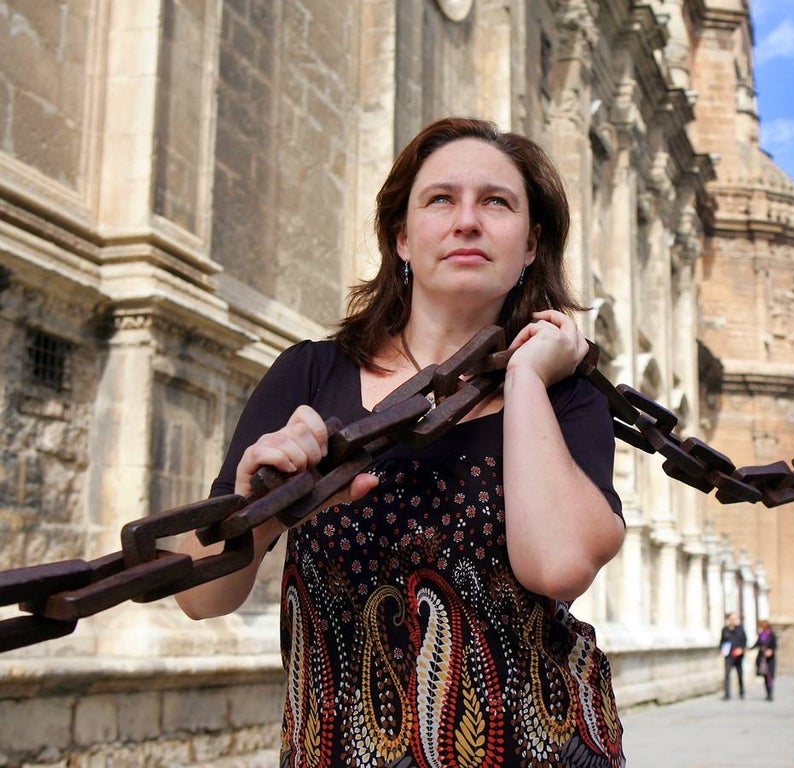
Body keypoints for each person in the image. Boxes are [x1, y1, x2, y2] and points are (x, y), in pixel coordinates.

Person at [174, 117, 627, 767]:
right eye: (440, 199)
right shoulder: (312, 374)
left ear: (530, 245)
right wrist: (261, 498)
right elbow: (200, 597)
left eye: (496, 202)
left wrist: (526, 376)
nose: (467, 220)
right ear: (402, 239)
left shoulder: (567, 399)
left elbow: (556, 568)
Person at [719, 612, 748, 700]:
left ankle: (741, 691)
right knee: (727, 674)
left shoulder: (740, 629)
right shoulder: (725, 629)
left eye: (734, 619)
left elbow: (744, 641)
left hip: (738, 656)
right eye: (731, 619)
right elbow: (722, 642)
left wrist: (741, 650)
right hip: (729, 656)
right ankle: (727, 694)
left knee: (740, 674)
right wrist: (721, 650)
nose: (732, 621)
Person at [750, 618, 777, 701]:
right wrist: (749, 649)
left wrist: (771, 651)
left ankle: (770, 693)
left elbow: (774, 646)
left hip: (770, 659)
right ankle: (767, 693)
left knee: (770, 675)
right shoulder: (761, 635)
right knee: (765, 676)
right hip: (762, 658)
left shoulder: (771, 635)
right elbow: (757, 644)